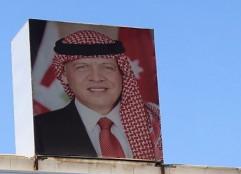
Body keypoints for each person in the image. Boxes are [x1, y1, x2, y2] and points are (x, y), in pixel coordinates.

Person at [34, 29, 162, 161]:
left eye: (107, 67)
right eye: (82, 67)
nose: (96, 77)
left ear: (122, 72)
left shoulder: (157, 122)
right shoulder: (37, 132)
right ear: (64, 76)